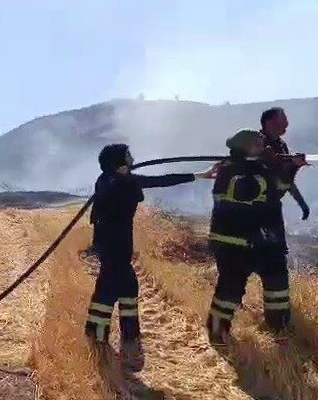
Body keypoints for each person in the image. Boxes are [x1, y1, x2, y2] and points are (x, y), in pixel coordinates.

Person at [85, 144, 218, 345]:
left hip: (116, 245)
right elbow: (159, 181)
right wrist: (199, 175)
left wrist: (199, 175)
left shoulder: (111, 180)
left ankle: (129, 334)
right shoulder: (117, 182)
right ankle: (97, 335)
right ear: (118, 162)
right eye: (127, 155)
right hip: (114, 246)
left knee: (127, 287)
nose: (132, 158)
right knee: (108, 289)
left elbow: (150, 182)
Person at [207, 129, 289, 345]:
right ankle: (217, 333)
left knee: (277, 284)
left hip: (266, 241)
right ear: (245, 147)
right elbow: (248, 192)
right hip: (233, 243)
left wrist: (290, 168)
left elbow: (278, 190)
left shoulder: (261, 168)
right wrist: (265, 167)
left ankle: (279, 328)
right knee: (230, 289)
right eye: (259, 145)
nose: (265, 148)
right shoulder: (229, 171)